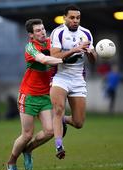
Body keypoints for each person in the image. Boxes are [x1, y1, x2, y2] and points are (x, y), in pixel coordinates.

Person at [7, 18, 63, 170]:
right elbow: (43, 59)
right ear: (31, 35)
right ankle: (11, 161)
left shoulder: (51, 42)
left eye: (43, 29)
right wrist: (64, 59)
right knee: (27, 135)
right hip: (28, 95)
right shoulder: (30, 47)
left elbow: (62, 49)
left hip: (45, 95)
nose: (42, 32)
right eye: (38, 30)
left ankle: (28, 150)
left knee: (50, 131)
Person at [50, 5, 97, 159]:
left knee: (78, 123)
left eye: (77, 18)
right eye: (72, 17)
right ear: (65, 18)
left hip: (78, 79)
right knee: (58, 109)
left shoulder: (86, 33)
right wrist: (75, 49)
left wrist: (91, 52)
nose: (75, 20)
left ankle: (63, 119)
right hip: (60, 77)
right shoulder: (58, 33)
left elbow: (94, 59)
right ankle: (59, 145)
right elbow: (55, 56)